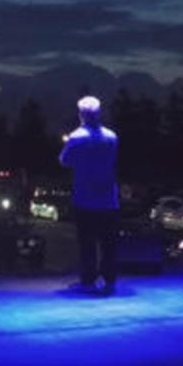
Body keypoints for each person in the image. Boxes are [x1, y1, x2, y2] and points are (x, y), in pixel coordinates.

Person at [59, 96, 120, 295]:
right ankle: (110, 280)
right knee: (109, 243)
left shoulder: (77, 137)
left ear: (81, 115)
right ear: (99, 113)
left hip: (85, 198)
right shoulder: (112, 137)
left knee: (87, 243)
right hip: (109, 198)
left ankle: (88, 281)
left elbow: (65, 161)